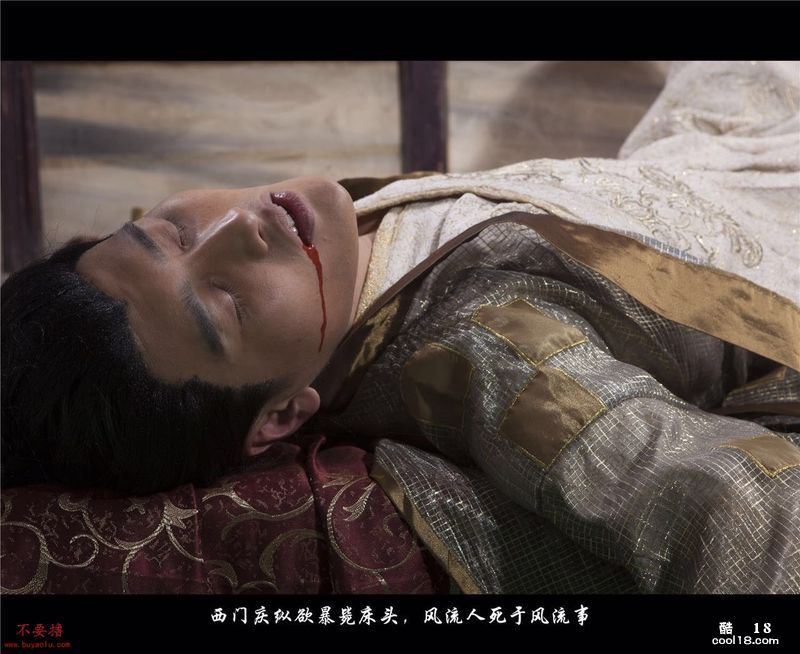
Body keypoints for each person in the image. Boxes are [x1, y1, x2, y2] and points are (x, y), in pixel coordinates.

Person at [2, 61, 799, 593]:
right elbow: (731, 510)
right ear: (279, 416)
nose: (237, 228)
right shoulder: (494, 352)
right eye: (225, 306)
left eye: (169, 229)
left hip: (690, 177)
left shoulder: (331, 257)